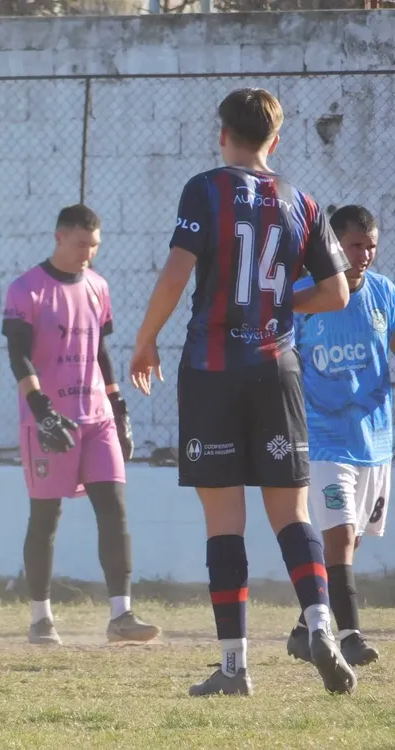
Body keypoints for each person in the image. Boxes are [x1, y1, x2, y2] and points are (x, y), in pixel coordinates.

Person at [129, 88, 355, 696]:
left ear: (221, 131)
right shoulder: (302, 202)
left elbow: (178, 272)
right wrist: (283, 302)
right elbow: (337, 295)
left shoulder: (205, 188)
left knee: (224, 520)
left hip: (212, 368)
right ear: (275, 141)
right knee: (293, 514)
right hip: (277, 369)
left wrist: (144, 339)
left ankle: (234, 666)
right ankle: (320, 624)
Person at [1, 204, 160, 647]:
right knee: (46, 516)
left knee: (113, 507)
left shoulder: (98, 286)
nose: (88, 253)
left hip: (97, 419)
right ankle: (40, 617)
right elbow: (19, 354)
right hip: (49, 421)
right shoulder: (25, 290)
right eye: (80, 244)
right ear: (59, 238)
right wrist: (40, 407)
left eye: (94, 245)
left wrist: (119, 406)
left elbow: (100, 351)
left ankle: (121, 614)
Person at [286, 205, 393, 668]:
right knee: (341, 536)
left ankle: (301, 630)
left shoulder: (384, 292)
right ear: (333, 244)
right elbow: (285, 363)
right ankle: (349, 636)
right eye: (355, 245)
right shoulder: (304, 297)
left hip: (375, 438)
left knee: (351, 542)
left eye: (371, 245)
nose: (364, 254)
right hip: (324, 436)